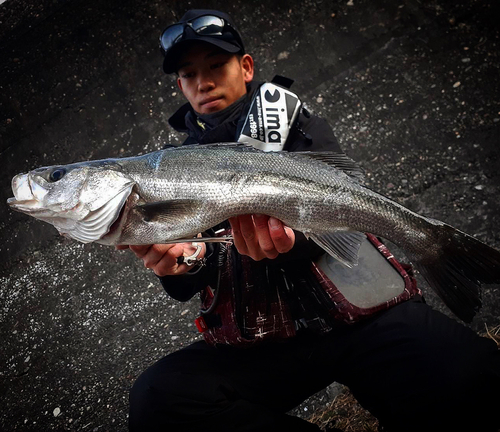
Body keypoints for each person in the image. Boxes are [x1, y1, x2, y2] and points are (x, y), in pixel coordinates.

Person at [122, 9, 500, 432]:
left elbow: (337, 217)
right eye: (189, 74)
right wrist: (182, 262)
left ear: (245, 68)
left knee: (473, 374)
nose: (204, 82)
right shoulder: (167, 169)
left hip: (359, 317)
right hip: (267, 344)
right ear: (180, 86)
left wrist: (291, 241)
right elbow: (193, 269)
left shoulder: (293, 121)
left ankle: (438, 259)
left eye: (215, 65)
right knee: (159, 400)